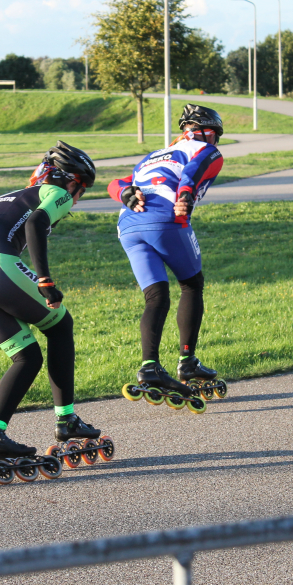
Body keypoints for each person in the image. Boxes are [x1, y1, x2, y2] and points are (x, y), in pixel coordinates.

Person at [0, 141, 102, 461]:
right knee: (61, 324)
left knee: (27, 356)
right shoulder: (58, 194)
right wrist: (45, 280)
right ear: (71, 181)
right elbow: (35, 224)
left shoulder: (6, 196)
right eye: (82, 190)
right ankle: (67, 421)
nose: (77, 200)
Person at [107, 103, 224, 395]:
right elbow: (195, 170)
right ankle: (188, 362)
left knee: (156, 297)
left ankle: (150, 367)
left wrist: (123, 193)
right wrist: (185, 193)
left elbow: (117, 183)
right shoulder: (206, 149)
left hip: (128, 227)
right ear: (206, 132)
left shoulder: (153, 155)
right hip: (167, 219)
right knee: (191, 284)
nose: (217, 142)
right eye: (216, 135)